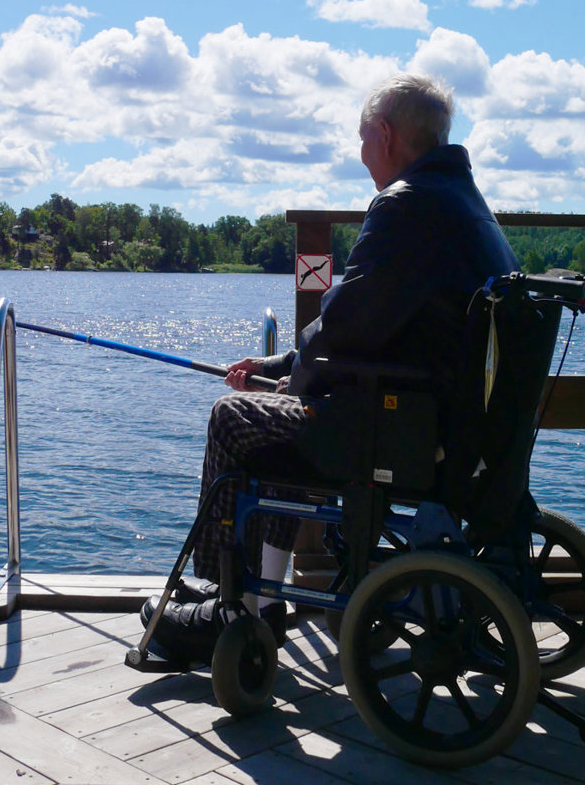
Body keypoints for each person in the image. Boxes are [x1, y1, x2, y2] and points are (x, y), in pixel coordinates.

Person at [141, 73, 520, 661]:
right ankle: (259, 601)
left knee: (233, 416)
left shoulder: (406, 204)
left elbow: (345, 323)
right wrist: (288, 364)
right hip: (445, 418)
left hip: (402, 432)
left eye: (363, 137)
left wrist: (298, 373)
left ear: (387, 135)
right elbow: (380, 323)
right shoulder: (469, 207)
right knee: (287, 412)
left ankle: (229, 602)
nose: (360, 150)